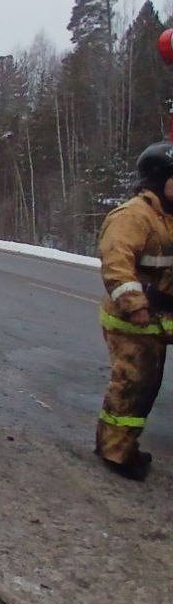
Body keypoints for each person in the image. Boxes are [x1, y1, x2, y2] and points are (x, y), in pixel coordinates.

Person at [95, 140, 173, 480]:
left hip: (158, 321)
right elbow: (116, 265)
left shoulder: (167, 218)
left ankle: (123, 444)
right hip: (131, 322)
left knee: (147, 386)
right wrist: (137, 306)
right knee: (131, 386)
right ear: (160, 179)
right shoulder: (133, 216)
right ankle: (115, 452)